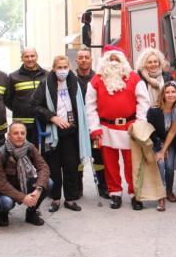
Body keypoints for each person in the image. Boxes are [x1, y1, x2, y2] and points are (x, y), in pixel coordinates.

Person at [85, 45, 151, 210]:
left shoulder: (134, 78)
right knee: (110, 164)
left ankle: (135, 194)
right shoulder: (96, 80)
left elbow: (144, 100)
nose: (113, 62)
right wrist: (94, 128)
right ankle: (115, 193)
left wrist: (139, 122)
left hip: (129, 126)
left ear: (122, 61)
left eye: (117, 59)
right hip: (106, 127)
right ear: (105, 61)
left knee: (132, 163)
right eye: (110, 59)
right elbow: (90, 106)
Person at [31, 55, 91, 213]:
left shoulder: (76, 83)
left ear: (69, 68)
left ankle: (70, 199)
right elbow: (35, 106)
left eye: (65, 67)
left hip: (72, 132)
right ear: (53, 68)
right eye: (59, 67)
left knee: (71, 166)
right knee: (54, 168)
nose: (62, 70)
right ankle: (56, 198)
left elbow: (86, 104)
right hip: (53, 132)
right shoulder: (45, 84)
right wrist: (52, 117)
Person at [0, 122, 51, 227]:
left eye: (22, 133)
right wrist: (23, 198)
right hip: (6, 189)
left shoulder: (30, 147)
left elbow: (43, 167)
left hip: (24, 183)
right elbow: (0, 183)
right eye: (15, 133)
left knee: (48, 183)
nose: (20, 136)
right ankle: (2, 213)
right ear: (9, 135)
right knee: (6, 203)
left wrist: (38, 189)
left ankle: (31, 213)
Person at [74, 47, 107, 198]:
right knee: (78, 159)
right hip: (77, 128)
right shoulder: (71, 80)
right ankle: (77, 187)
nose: (84, 60)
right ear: (76, 60)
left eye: (86, 57)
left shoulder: (99, 78)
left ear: (91, 59)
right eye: (81, 58)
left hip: (94, 127)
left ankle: (103, 187)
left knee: (98, 157)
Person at [148, 81, 176, 208]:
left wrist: (166, 147)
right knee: (160, 164)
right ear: (163, 94)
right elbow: (151, 131)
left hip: (172, 143)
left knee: (169, 166)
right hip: (157, 142)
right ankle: (160, 195)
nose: (170, 94)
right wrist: (161, 147)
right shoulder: (154, 110)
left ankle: (169, 191)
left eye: (173, 92)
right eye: (167, 92)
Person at [6, 48, 47, 145]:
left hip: (41, 123)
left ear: (37, 57)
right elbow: (7, 99)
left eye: (32, 56)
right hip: (21, 125)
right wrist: (20, 108)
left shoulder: (47, 75)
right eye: (26, 56)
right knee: (21, 154)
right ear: (22, 58)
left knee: (39, 154)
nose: (30, 59)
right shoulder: (13, 77)